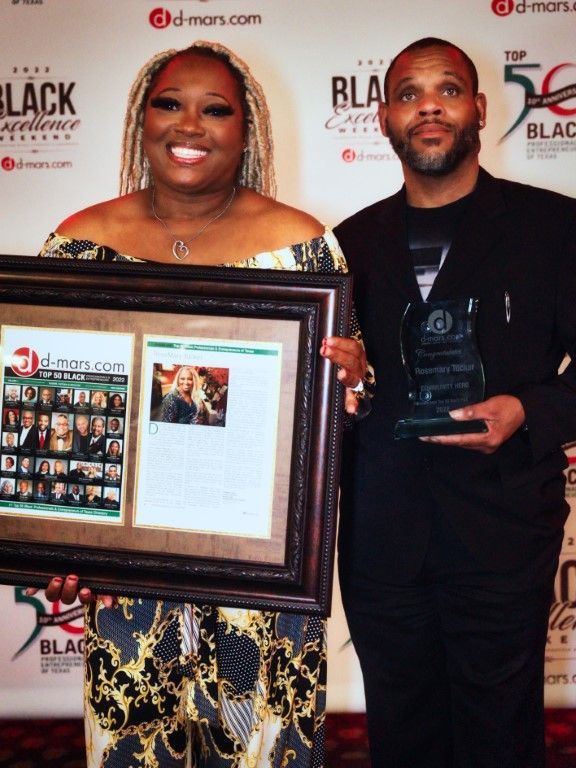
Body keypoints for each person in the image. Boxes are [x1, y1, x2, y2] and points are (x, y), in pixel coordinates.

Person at [32, 40, 369, 768]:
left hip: (263, 587)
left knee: (260, 748)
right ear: (141, 119)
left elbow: (342, 413)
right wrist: (56, 540)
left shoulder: (303, 250)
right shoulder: (79, 247)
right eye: (170, 104)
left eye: (216, 109)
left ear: (246, 131)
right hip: (130, 586)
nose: (191, 126)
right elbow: (58, 427)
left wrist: (355, 384)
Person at [335, 37, 576, 768]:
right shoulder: (345, 245)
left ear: (477, 107)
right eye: (409, 93)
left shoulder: (556, 229)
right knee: (402, 737)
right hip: (381, 541)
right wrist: (340, 383)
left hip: (502, 533)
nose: (428, 104)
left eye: (447, 90)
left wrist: (530, 412)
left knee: (500, 738)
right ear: (383, 118)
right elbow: (332, 397)